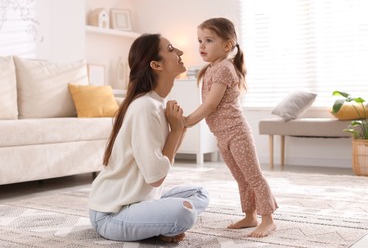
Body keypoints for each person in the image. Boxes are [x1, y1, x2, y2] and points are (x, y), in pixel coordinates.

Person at [88, 33, 209, 243]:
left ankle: (155, 223)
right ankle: (158, 225)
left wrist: (179, 128)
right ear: (156, 65)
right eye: (171, 49)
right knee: (185, 213)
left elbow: (164, 156)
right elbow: (156, 177)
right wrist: (176, 131)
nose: (180, 52)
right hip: (111, 213)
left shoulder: (158, 103)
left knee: (199, 194)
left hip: (141, 201)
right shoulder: (145, 107)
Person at [185, 18, 278, 238]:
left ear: (227, 45)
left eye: (208, 40)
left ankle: (268, 220)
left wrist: (187, 121)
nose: (201, 46)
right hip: (222, 135)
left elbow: (210, 105)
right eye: (199, 40)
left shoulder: (225, 69)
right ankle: (250, 215)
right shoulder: (210, 69)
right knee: (241, 178)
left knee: (253, 176)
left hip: (237, 133)